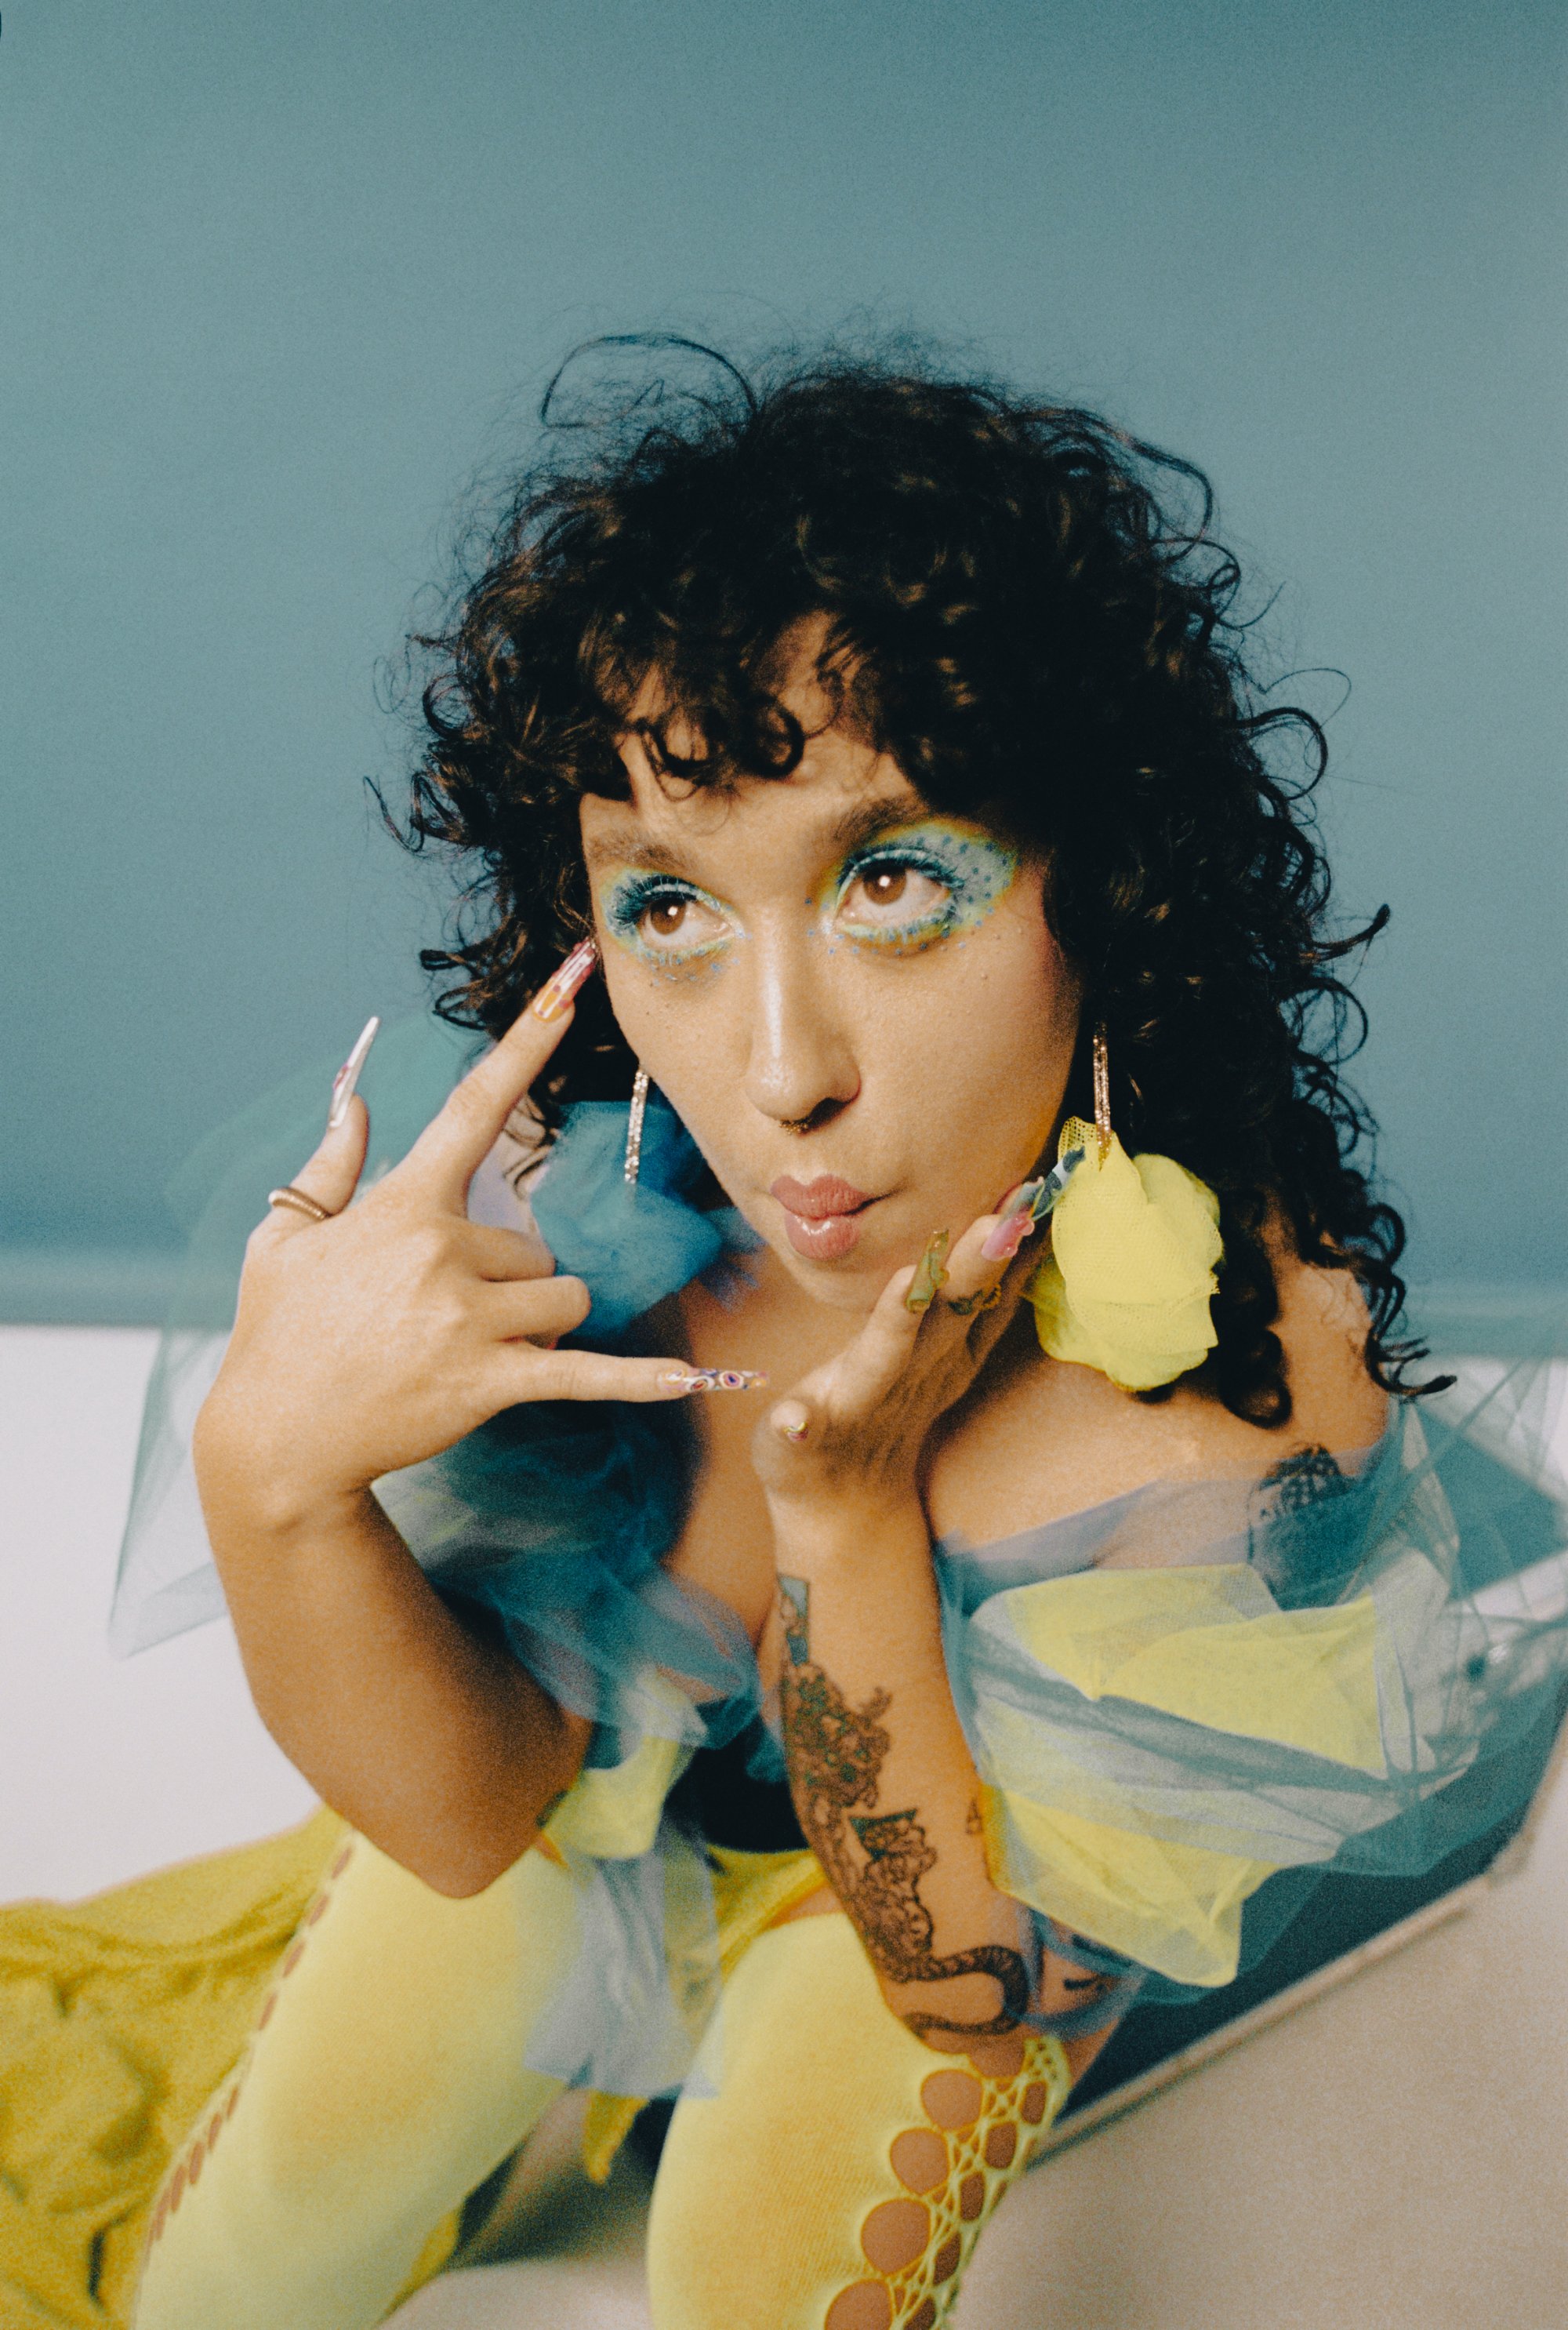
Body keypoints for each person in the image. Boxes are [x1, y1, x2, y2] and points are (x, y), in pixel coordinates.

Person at [7, 347, 1563, 2330]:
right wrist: (272, 1475)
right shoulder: (602, 1238)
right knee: (260, 2238)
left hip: (943, 1915)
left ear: (1106, 880)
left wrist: (846, 1508)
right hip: (612, 1831)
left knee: (767, 2257)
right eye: (669, 906)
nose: (777, 1072)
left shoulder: (1241, 1396)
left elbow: (969, 1983)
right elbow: (475, 1818)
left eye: (892, 880)